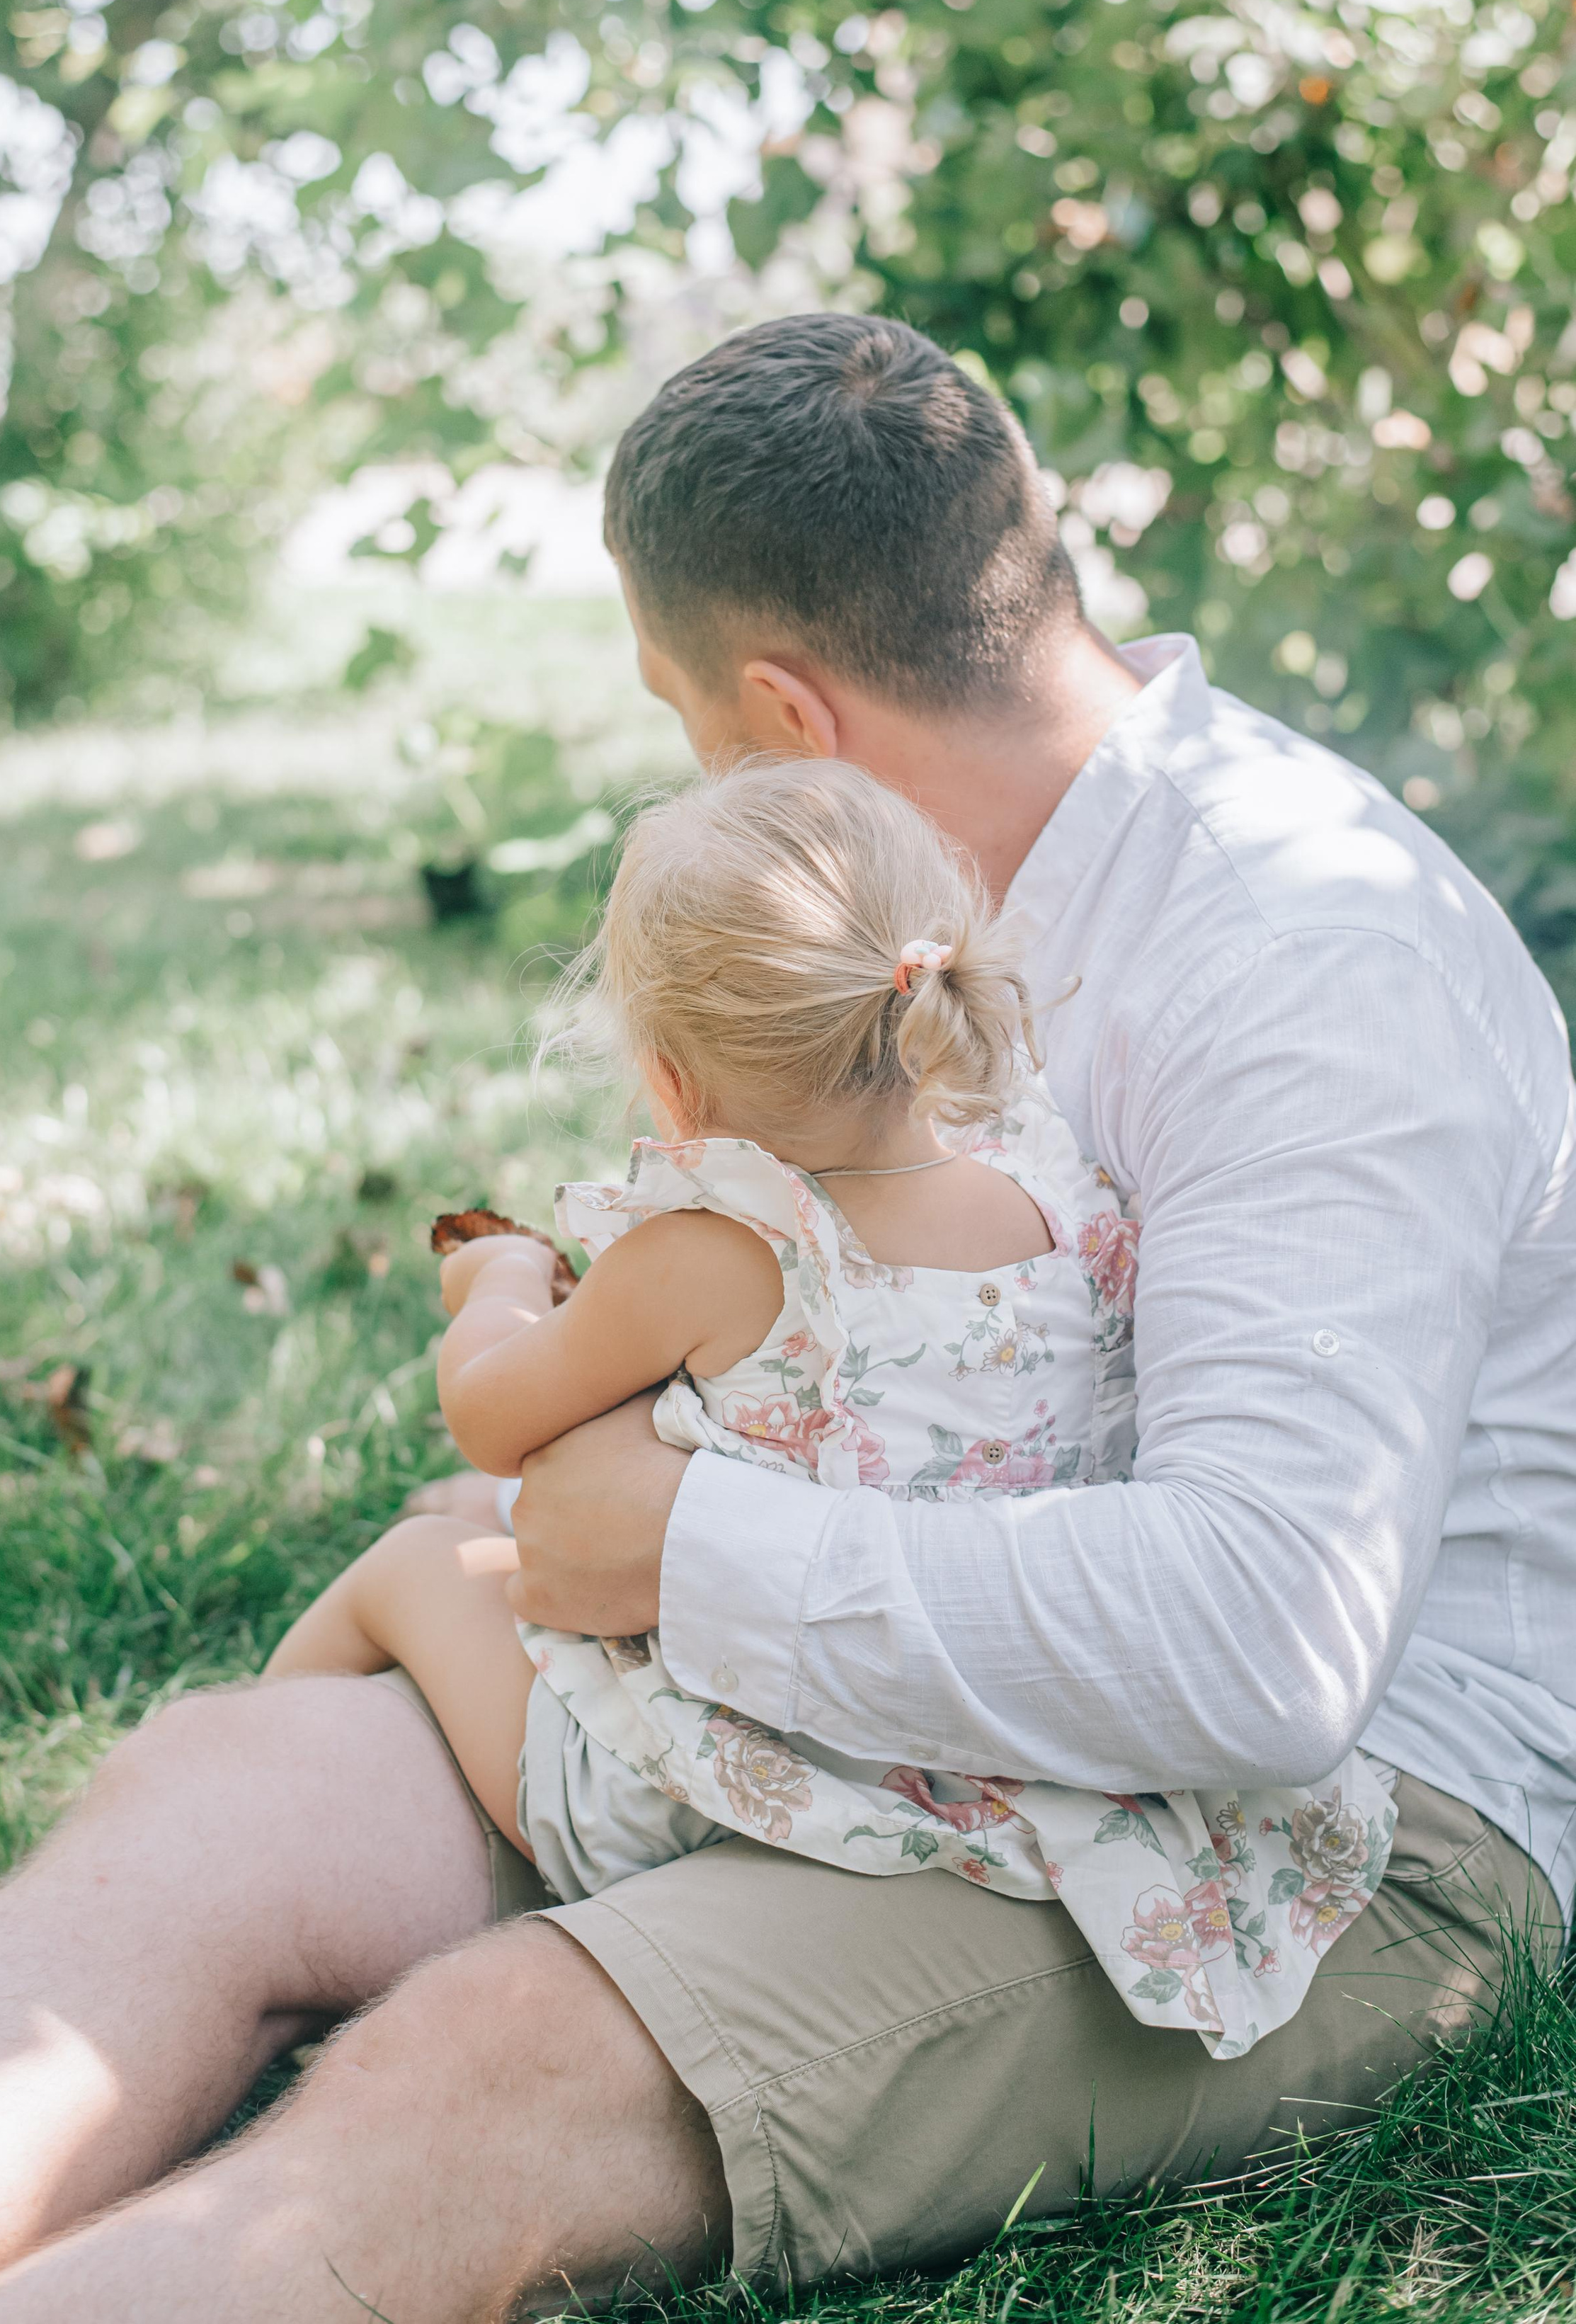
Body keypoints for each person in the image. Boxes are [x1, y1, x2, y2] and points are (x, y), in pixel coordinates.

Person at [0, 315, 1569, 2324]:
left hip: (1332, 1825)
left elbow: (1266, 1644)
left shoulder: (1305, 959)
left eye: (684, 719)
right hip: (896, 1713)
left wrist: (687, 1547)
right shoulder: (892, 916)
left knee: (490, 2066)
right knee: (214, 1804)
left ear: (785, 709)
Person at [270, 755, 1398, 2064]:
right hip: (991, 1755)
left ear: (673, 1080)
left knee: (418, 1560)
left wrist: (501, 1280)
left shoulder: (718, 1251)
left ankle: (261, 1804)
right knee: (491, 1520)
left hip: (715, 1780)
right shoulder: (1056, 1186)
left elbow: (490, 1410)